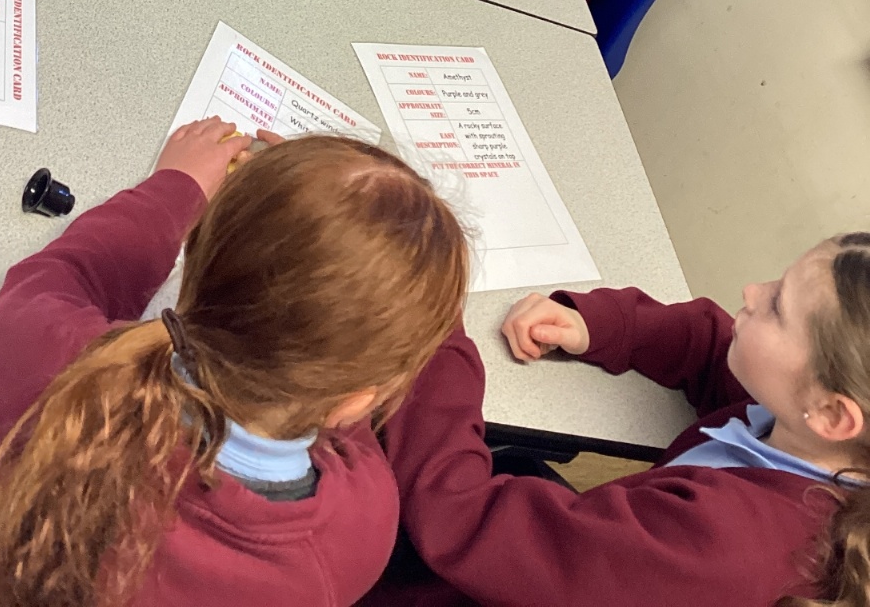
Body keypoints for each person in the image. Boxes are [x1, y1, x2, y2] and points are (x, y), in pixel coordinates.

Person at [0, 126, 469, 607]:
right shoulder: (359, 527)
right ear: (357, 399)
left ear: (196, 258)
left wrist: (178, 187)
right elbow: (327, 399)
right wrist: (398, 295)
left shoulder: (73, 371)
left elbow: (51, 281)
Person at [371, 233, 870, 607]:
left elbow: (460, 520)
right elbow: (705, 343)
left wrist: (431, 327)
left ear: (833, 414)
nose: (752, 291)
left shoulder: (715, 546)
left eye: (778, 307)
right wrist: (599, 325)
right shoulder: (809, 430)